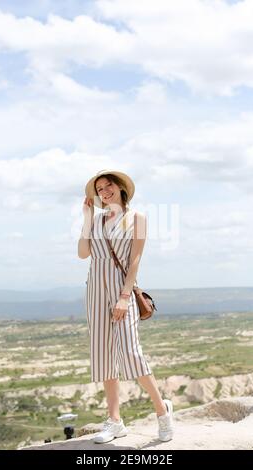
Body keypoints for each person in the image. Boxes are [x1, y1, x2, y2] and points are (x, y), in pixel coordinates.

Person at [78, 169, 173, 444]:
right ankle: (115, 420)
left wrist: (123, 296)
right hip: (95, 288)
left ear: (120, 187)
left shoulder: (137, 218)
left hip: (122, 289)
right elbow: (83, 253)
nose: (104, 191)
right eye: (99, 189)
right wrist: (86, 220)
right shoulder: (96, 220)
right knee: (103, 354)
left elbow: (134, 261)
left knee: (130, 352)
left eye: (108, 185)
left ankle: (162, 411)